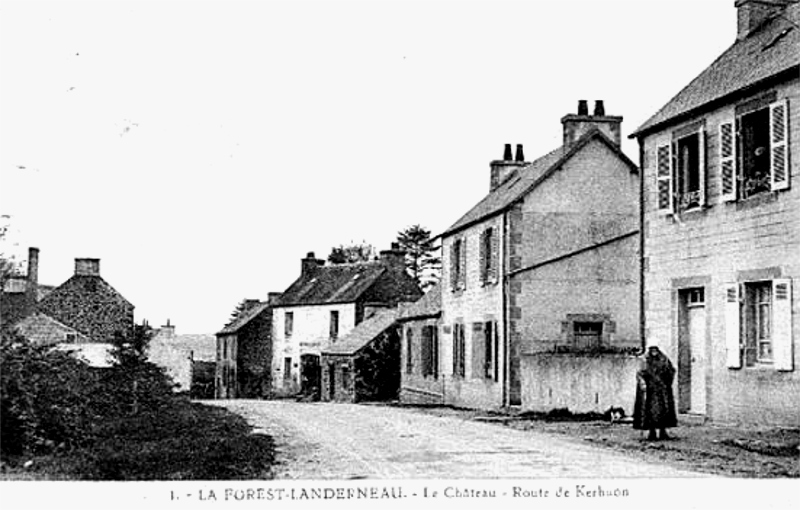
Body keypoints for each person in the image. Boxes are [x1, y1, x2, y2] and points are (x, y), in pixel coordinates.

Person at [633, 345, 678, 440]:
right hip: (651, 390)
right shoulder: (645, 360)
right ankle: (652, 432)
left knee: (664, 410)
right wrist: (643, 384)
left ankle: (663, 431)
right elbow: (640, 373)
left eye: (655, 349)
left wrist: (667, 380)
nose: (654, 351)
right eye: (652, 349)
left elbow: (671, 370)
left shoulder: (664, 359)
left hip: (662, 389)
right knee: (651, 412)